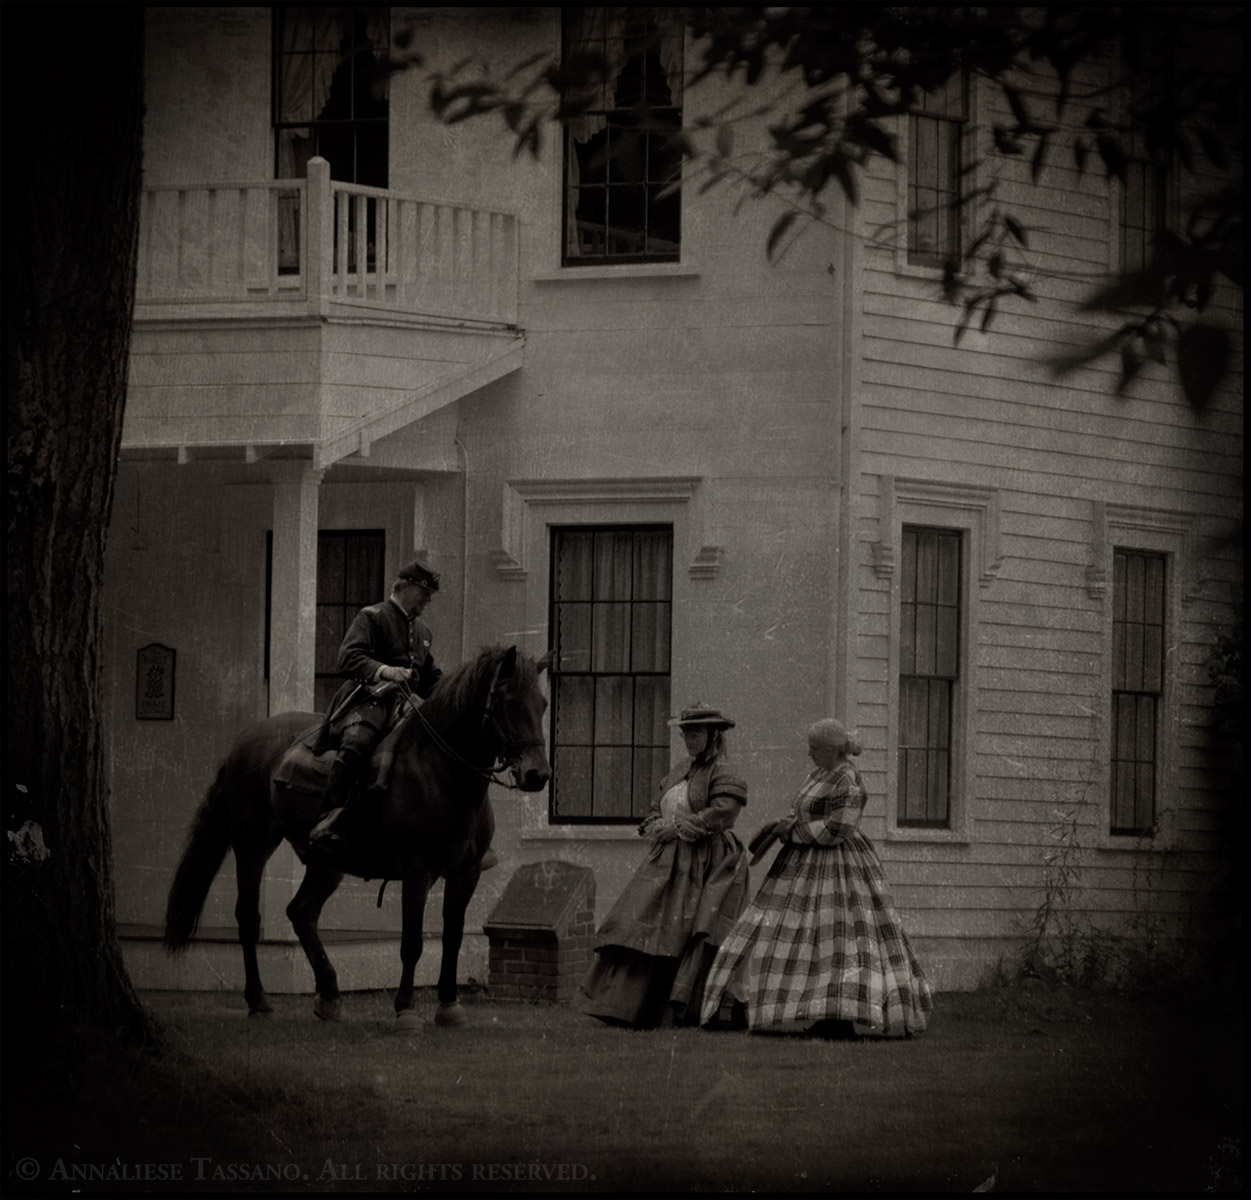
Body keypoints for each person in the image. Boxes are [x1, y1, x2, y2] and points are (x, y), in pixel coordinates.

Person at [699, 718, 933, 1038]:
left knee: (838, 939)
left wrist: (793, 831)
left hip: (838, 866)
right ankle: (802, 1007)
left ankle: (838, 1016)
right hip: (803, 862)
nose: (809, 753)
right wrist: (785, 824)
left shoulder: (848, 778)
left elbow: (840, 828)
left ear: (831, 749)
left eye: (814, 748)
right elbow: (806, 811)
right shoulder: (819, 773)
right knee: (799, 937)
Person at [574, 703, 750, 1029]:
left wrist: (681, 827)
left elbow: (723, 812)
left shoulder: (725, 771)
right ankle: (631, 1006)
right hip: (666, 861)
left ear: (714, 735)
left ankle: (689, 1008)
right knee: (640, 923)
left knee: (686, 930)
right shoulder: (682, 769)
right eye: (685, 733)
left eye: (695, 732)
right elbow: (657, 806)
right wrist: (654, 823)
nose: (688, 739)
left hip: (706, 863)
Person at [308, 559, 444, 858]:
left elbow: (430, 678)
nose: (428, 599)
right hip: (367, 699)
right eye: (424, 592)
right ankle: (330, 819)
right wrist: (385, 670)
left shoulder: (423, 631)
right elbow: (348, 658)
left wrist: (452, 694)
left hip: (407, 704)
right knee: (358, 746)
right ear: (405, 586)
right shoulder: (372, 616)